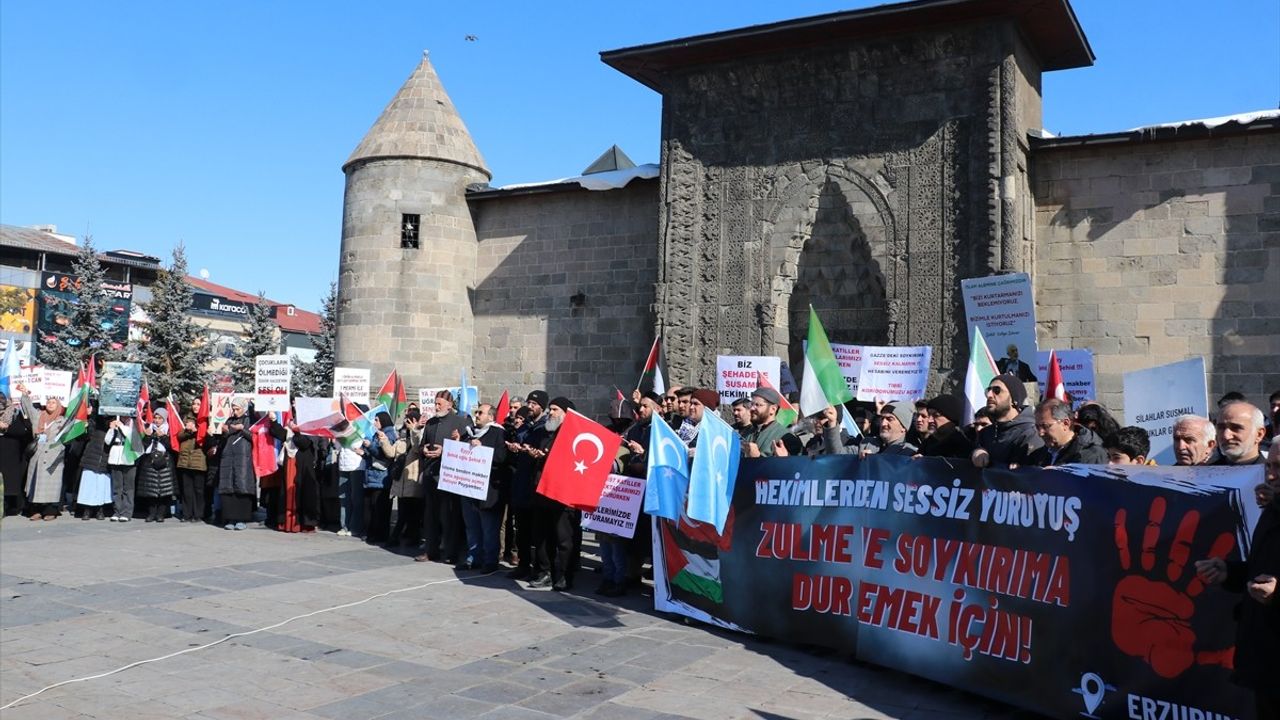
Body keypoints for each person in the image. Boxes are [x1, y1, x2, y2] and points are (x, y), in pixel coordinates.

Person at [1194, 450, 1280, 718]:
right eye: (1269, 465)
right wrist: (1229, 572)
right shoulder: (1272, 510)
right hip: (1267, 661)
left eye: (1279, 467)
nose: (1271, 475)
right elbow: (1263, 571)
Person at [416, 390, 470, 562]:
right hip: (431, 474)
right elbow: (423, 444)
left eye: (439, 404)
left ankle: (450, 552)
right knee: (429, 515)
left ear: (449, 404)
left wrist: (445, 451)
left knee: (448, 516)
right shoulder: (431, 423)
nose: (436, 406)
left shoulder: (459, 423)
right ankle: (431, 550)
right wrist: (423, 450)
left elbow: (466, 450)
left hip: (449, 477)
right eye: (435, 403)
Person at [505, 393, 548, 579]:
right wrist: (515, 449)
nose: (530, 406)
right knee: (521, 531)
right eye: (529, 402)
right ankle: (523, 565)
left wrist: (536, 454)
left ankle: (540, 569)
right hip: (521, 485)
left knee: (537, 533)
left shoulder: (545, 428)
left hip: (536, 487)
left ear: (542, 407)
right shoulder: (525, 428)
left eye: (534, 403)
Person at [461, 402, 506, 572]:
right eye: (476, 412)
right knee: (472, 526)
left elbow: (502, 457)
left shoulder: (498, 433)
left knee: (488, 528)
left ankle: (490, 560)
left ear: (491, 417)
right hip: (468, 487)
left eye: (481, 412)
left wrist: (483, 448)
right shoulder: (469, 432)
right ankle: (473, 557)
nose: (477, 415)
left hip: (488, 490)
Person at [971, 373, 1043, 468]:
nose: (989, 395)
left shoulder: (1031, 433)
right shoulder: (985, 433)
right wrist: (977, 452)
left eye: (997, 390)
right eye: (988, 390)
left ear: (1014, 399)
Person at [1027, 398, 1107, 466]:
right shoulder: (1040, 454)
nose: (1040, 433)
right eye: (1037, 427)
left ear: (1066, 423)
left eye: (1045, 426)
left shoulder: (1091, 455)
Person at [23, 395, 66, 520]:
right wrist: (25, 395)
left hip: (54, 455)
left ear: (58, 406)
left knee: (51, 485)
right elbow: (28, 408)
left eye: (54, 403)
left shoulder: (63, 421)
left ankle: (51, 510)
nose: (50, 404)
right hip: (38, 454)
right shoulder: (38, 416)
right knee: (36, 483)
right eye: (48, 402)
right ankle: (36, 510)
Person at [388, 408, 426, 547]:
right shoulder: (402, 438)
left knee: (413, 513)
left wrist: (414, 430)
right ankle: (400, 536)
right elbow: (391, 452)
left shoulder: (420, 433)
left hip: (414, 480)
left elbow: (417, 447)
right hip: (402, 481)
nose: (407, 424)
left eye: (411, 421)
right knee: (404, 512)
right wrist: (384, 440)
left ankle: (407, 537)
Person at [216, 401, 256, 530]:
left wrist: (242, 429)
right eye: (233, 408)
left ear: (244, 409)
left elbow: (255, 438)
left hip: (243, 459)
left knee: (242, 486)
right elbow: (223, 439)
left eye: (237, 409)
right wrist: (223, 431)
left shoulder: (251, 420)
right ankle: (230, 518)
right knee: (229, 488)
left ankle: (242, 519)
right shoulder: (229, 420)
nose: (235, 411)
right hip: (228, 458)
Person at [73, 402, 113, 520]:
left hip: (105, 457)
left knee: (102, 484)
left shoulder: (115, 420)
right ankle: (87, 510)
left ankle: (100, 509)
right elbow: (82, 437)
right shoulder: (94, 420)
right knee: (88, 484)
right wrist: (85, 424)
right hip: (92, 455)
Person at [363, 411, 398, 544]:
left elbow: (384, 454)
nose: (374, 422)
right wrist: (364, 450)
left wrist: (370, 446)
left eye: (377, 420)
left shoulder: (388, 434)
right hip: (373, 475)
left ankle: (381, 535)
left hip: (382, 477)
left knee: (381, 509)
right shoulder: (377, 433)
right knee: (373, 507)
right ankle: (373, 533)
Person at [137, 408, 176, 522]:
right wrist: (148, 436)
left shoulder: (169, 429)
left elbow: (171, 447)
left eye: (160, 418)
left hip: (164, 461)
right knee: (150, 490)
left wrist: (163, 437)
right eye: (156, 418)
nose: (157, 420)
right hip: (150, 461)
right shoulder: (149, 429)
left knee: (164, 490)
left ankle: (161, 514)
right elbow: (143, 447)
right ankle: (151, 513)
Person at [0, 390, 33, 517]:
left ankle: (10, 506)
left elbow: (23, 431)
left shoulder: (14, 412)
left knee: (9, 483)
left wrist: (5, 427)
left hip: (10, 454)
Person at [176, 399, 209, 522]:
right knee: (187, 489)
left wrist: (197, 431)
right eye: (194, 404)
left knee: (199, 489)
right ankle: (186, 513)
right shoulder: (186, 418)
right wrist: (187, 431)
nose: (195, 406)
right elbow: (178, 436)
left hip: (199, 459)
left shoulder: (206, 419)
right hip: (185, 459)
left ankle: (198, 514)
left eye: (198, 404)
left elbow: (207, 437)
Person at [744, 387, 801, 458]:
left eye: (757, 405)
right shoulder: (746, 433)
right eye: (751, 404)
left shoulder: (786, 437)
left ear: (773, 409)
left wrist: (757, 458)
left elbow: (792, 467)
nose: (752, 408)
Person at [105, 415, 139, 522]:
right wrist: (111, 429)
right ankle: (117, 511)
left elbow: (134, 438)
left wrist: (122, 427)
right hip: (116, 456)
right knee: (117, 487)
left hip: (129, 456)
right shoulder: (115, 421)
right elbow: (107, 441)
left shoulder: (134, 423)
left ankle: (127, 512)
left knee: (128, 487)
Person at [1213, 401, 1267, 467]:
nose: (1226, 436)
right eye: (1221, 428)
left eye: (1236, 428)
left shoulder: (1272, 474)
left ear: (1259, 434)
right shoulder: (1204, 474)